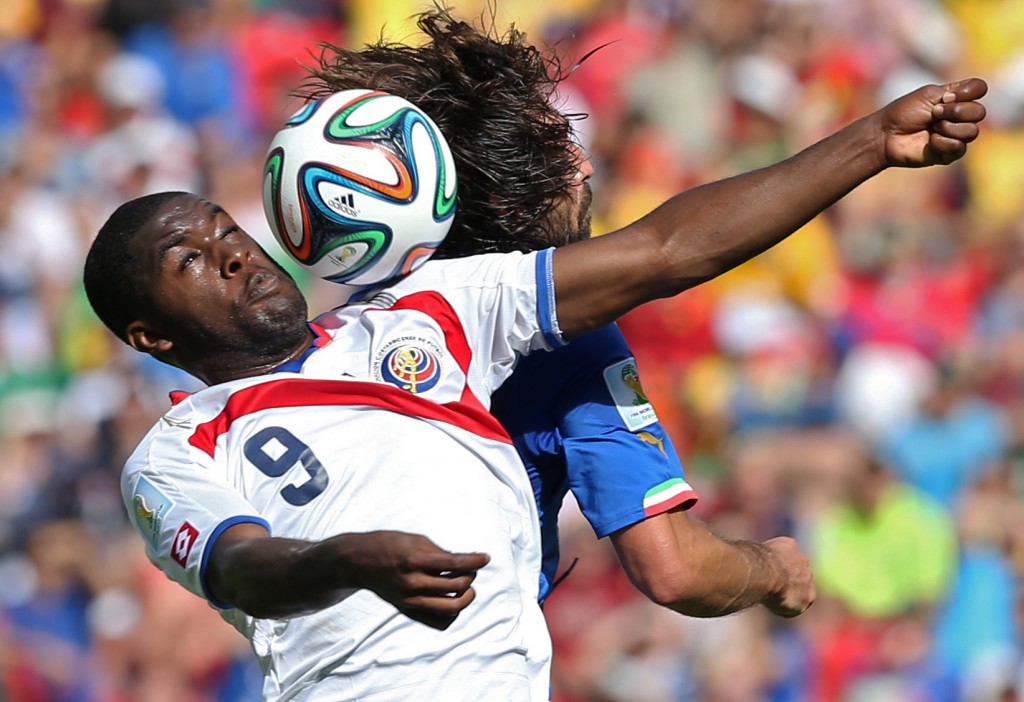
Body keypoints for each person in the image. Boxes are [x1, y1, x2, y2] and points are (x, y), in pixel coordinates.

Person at [83, 59, 986, 702]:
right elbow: (243, 569)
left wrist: (871, 141)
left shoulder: (426, 316)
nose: (231, 254)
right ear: (148, 333)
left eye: (222, 229)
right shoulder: (170, 454)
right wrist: (347, 559)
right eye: (189, 259)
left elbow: (664, 252)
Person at [300, 6, 815, 614]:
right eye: (562, 157)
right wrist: (773, 568)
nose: (587, 167)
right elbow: (674, 568)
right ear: (507, 202)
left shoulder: (349, 329)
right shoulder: (566, 344)